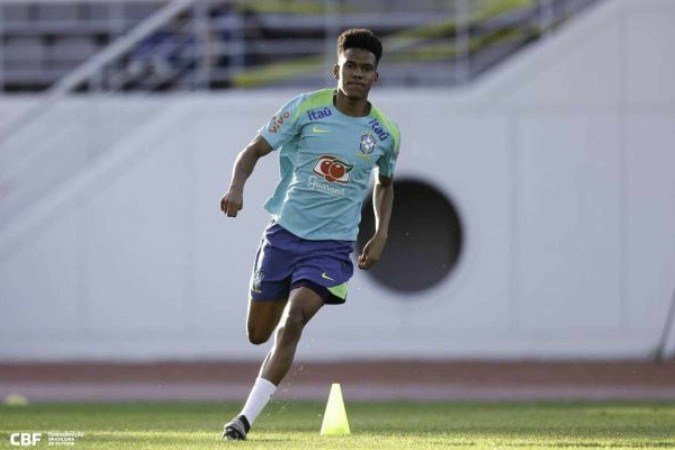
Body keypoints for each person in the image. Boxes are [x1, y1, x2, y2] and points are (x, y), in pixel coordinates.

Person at [220, 28, 401, 441]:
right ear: (336, 69)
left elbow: (385, 184)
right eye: (350, 66)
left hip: (332, 248)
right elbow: (253, 150)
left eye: (366, 68)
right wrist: (236, 187)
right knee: (258, 334)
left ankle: (243, 420)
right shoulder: (305, 108)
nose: (357, 74)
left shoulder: (385, 133)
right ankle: (282, 292)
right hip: (283, 235)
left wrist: (381, 233)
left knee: (293, 321)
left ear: (376, 77)